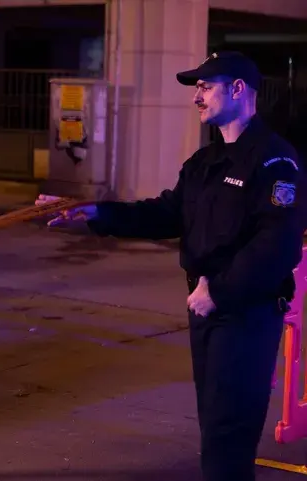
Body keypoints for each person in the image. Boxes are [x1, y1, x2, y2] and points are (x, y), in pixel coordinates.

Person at [37, 51, 306, 481]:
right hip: (207, 312)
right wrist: (96, 213)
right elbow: (165, 213)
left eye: (206, 87)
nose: (197, 97)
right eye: (196, 88)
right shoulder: (204, 163)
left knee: (228, 439)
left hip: (245, 315)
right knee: (215, 431)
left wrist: (218, 291)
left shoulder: (275, 161)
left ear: (238, 89)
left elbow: (277, 244)